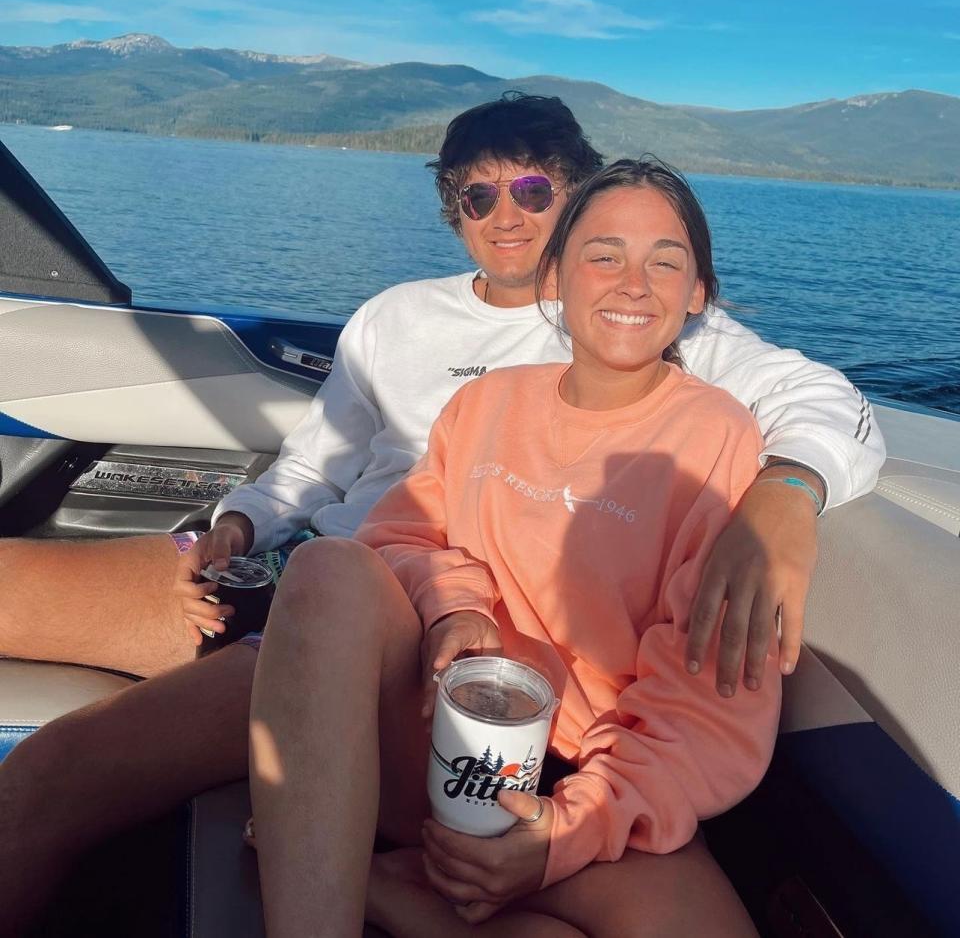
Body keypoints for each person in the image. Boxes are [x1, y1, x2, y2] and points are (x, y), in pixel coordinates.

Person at [0, 95, 882, 933]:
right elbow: (315, 466)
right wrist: (230, 528)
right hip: (308, 575)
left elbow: (825, 402)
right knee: (41, 760)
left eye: (536, 189)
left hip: (423, 653)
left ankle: (357, 870)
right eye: (478, 193)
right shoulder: (399, 321)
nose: (507, 213)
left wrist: (788, 492)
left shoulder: (645, 325)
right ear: (453, 208)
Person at [248, 158, 781, 937]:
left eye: (665, 262)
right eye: (604, 255)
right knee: (329, 565)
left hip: (599, 773)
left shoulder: (718, 438)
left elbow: (708, 703)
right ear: (557, 276)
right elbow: (400, 533)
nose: (633, 283)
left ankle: (372, 878)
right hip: (437, 733)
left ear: (697, 294)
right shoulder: (485, 404)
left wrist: (563, 832)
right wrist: (453, 612)